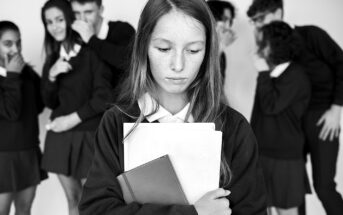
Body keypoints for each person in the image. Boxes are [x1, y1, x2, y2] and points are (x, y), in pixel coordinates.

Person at [79, 0, 267, 214]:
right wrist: (193, 212)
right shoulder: (116, 122)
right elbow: (96, 210)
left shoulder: (234, 127)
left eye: (193, 50)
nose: (178, 65)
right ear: (144, 48)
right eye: (164, 48)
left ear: (207, 52)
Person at [247, 0, 343, 214]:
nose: (257, 25)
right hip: (290, 122)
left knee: (324, 186)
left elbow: (341, 64)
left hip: (321, 117)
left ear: (278, 12)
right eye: (253, 21)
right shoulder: (272, 48)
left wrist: (336, 108)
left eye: (260, 18)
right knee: (291, 183)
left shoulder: (311, 35)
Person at [40, 0, 113, 214]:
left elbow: (104, 97)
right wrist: (51, 75)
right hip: (60, 141)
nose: (54, 26)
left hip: (89, 138)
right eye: (49, 22)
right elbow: (50, 102)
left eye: (59, 19)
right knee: (72, 200)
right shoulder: (53, 57)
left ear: (71, 19)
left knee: (90, 203)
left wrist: (70, 119)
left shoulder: (93, 53)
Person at [251, 21, 311, 215]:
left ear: (276, 46)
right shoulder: (272, 74)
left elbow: (270, 106)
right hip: (263, 155)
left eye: (263, 44)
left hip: (285, 158)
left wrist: (262, 72)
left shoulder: (296, 75)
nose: (259, 49)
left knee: (287, 212)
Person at [0, 21, 47, 215]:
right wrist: (12, 76)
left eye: (18, 43)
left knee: (24, 209)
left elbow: (38, 106)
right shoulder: (15, 73)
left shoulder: (27, 73)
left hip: (29, 150)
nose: (16, 49)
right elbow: (11, 112)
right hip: (2, 156)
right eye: (8, 43)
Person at [70, 0, 135, 93]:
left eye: (88, 12)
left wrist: (91, 39)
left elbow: (131, 62)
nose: (82, 19)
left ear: (101, 10)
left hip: (121, 102)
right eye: (76, 13)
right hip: (92, 104)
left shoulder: (122, 29)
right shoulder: (75, 37)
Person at [207, 0, 236, 80]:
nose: (227, 26)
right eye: (224, 19)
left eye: (230, 21)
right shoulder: (194, 46)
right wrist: (221, 47)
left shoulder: (222, 55)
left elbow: (218, 86)